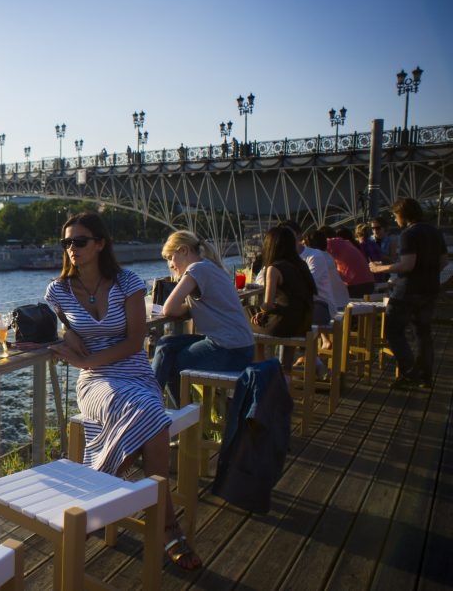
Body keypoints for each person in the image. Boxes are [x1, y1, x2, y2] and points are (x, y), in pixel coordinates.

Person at [45, 212, 201, 570]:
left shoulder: (126, 282)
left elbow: (134, 342)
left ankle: (98, 492)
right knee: (152, 417)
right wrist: (69, 345)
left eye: (80, 241)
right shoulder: (57, 291)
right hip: (96, 381)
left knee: (150, 411)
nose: (72, 249)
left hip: (131, 370)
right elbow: (70, 334)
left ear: (100, 244)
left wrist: (85, 361)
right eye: (66, 242)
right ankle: (167, 526)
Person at [152, 231, 255, 408]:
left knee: (169, 363)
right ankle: (165, 409)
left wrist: (184, 307)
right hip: (240, 346)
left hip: (229, 350)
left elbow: (169, 308)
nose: (170, 265)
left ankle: (164, 413)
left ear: (183, 250)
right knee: (165, 344)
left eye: (170, 257)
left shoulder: (196, 269)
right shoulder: (210, 266)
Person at [369, 198, 448, 388]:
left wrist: (379, 269)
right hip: (430, 289)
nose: (395, 220)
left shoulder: (409, 234)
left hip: (408, 290)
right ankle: (425, 375)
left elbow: (407, 265)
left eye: (396, 216)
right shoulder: (435, 232)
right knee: (423, 332)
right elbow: (444, 262)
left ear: (403, 215)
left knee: (392, 330)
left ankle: (409, 371)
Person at [249, 227, 316, 337]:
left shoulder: (274, 269)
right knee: (262, 315)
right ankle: (285, 355)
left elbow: (268, 305)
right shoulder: (301, 264)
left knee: (246, 314)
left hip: (284, 326)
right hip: (303, 324)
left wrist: (261, 312)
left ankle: (260, 354)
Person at [322, 227, 375, 298]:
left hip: (357, 285)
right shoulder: (346, 243)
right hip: (369, 283)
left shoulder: (331, 243)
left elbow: (310, 248)